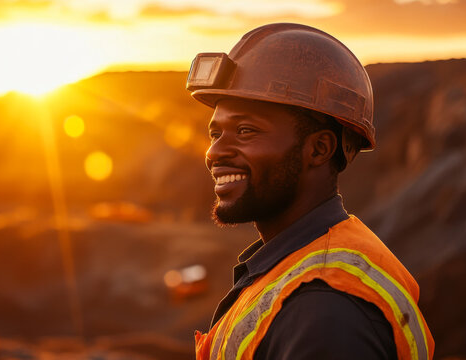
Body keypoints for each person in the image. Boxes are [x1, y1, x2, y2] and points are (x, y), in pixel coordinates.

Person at [186, 23, 434, 360]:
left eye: (245, 131)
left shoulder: (326, 312)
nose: (215, 152)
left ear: (318, 149)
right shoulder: (294, 269)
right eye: (216, 133)